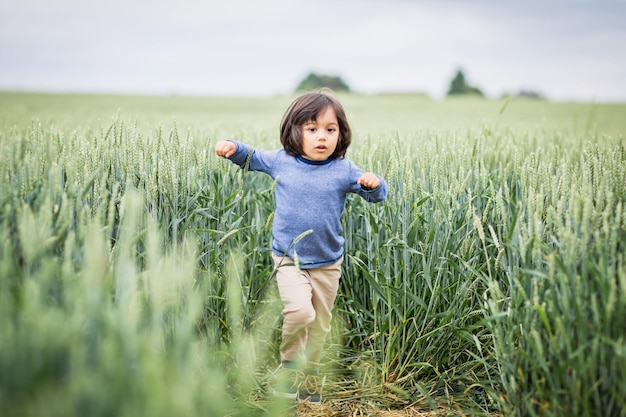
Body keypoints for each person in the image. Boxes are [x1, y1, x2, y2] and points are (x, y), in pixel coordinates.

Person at [214, 91, 388, 405]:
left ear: (341, 133)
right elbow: (251, 158)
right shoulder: (283, 161)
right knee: (300, 311)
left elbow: (376, 195)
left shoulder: (343, 170)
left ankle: (308, 379)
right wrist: (233, 148)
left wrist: (375, 183)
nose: (322, 136)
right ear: (295, 131)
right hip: (288, 257)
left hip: (327, 262)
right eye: (312, 129)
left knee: (320, 324)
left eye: (330, 129)